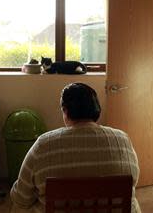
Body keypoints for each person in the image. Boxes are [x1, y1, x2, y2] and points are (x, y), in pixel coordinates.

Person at [10, 82, 140, 213]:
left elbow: (21, 198)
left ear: (65, 111)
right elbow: (133, 182)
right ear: (97, 109)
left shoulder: (43, 144)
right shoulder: (122, 139)